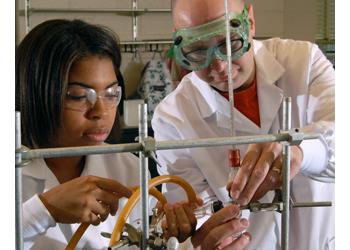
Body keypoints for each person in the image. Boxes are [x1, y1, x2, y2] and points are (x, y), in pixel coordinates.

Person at [16, 19, 251, 249]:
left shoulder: (126, 167)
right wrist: (44, 210)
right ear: (35, 94)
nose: (101, 111)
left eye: (110, 94)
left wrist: (184, 242)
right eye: (78, 95)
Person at [152, 0, 335, 249]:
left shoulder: (303, 62)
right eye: (197, 50)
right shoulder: (173, 117)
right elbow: (195, 215)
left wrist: (300, 153)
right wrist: (205, 233)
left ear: (249, 22)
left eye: (229, 43)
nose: (219, 65)